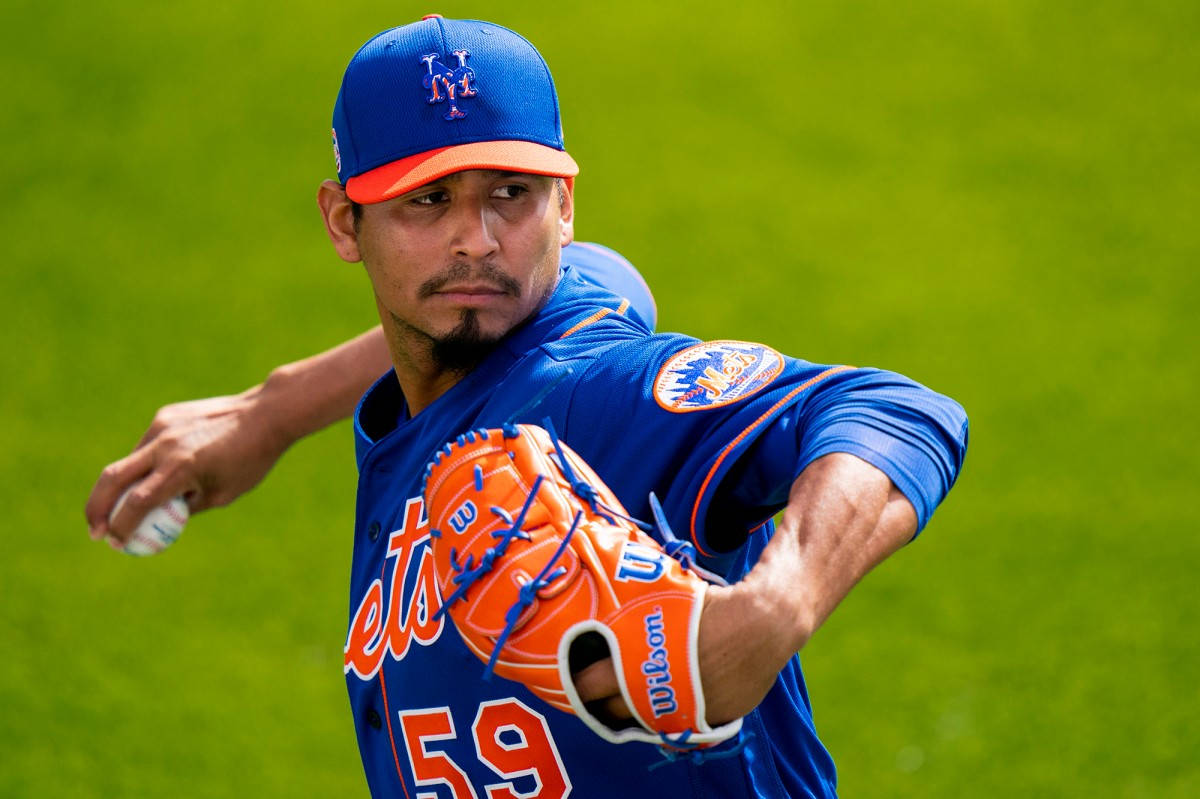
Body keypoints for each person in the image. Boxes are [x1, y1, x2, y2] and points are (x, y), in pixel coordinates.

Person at [87, 16, 968, 798]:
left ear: (566, 205)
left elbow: (898, 410)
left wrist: (774, 608)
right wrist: (273, 409)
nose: (477, 237)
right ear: (343, 223)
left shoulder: (601, 389)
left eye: (512, 193)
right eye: (427, 201)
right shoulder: (439, 388)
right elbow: (605, 271)